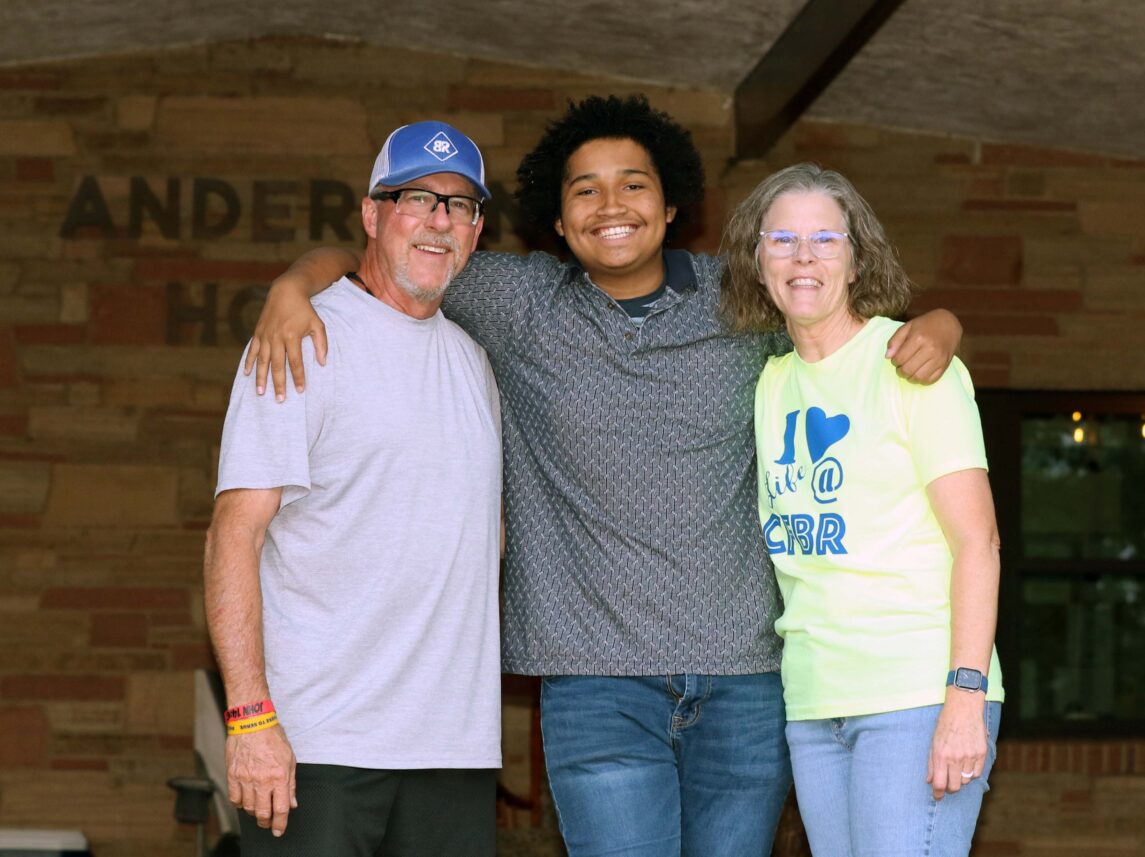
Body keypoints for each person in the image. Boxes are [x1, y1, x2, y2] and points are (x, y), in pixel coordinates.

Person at [247, 96, 963, 856]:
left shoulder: (743, 300)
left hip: (745, 680)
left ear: (671, 204)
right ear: (555, 221)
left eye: (633, 184)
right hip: (595, 685)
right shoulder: (518, 303)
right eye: (584, 189)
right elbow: (387, 254)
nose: (611, 205)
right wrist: (292, 289)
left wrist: (944, 324)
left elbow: (862, 326)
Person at [203, 121, 502, 856]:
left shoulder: (474, 364)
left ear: (476, 230)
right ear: (372, 215)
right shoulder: (301, 338)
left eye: (458, 206)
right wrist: (249, 719)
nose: (439, 220)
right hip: (318, 749)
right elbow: (233, 533)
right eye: (416, 198)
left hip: (453, 751)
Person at [721, 162, 1003, 856]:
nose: (804, 256)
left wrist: (965, 698)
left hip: (916, 693)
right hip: (815, 700)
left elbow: (979, 542)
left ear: (857, 258)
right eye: (781, 239)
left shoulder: (915, 367)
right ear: (757, 262)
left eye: (826, 238)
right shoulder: (770, 382)